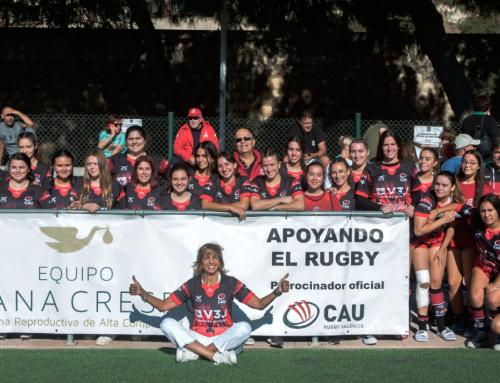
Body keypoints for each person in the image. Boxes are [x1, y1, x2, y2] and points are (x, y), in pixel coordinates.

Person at [129, 243, 290, 365]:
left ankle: (195, 353)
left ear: (220, 262)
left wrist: (277, 292)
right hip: (197, 337)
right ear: (200, 262)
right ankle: (215, 356)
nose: (211, 261)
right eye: (206, 257)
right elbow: (164, 306)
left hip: (222, 337)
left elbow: (259, 304)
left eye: (214, 257)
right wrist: (143, 293)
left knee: (245, 328)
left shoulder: (231, 283)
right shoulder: (192, 284)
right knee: (166, 323)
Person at [412, 171, 468, 342]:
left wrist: (444, 248)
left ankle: (442, 326)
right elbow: (419, 230)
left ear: (452, 188)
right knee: (423, 282)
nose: (440, 188)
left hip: (437, 243)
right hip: (419, 242)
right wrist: (441, 219)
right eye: (437, 184)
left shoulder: (453, 202)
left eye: (444, 185)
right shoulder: (426, 199)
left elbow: (460, 210)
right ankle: (422, 327)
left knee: (436, 283)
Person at [466, 194, 500, 349]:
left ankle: (496, 331)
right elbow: (459, 206)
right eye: (483, 211)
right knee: (475, 294)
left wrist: (495, 284)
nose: (487, 214)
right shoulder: (476, 220)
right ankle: (481, 332)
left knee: (492, 299)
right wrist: (434, 213)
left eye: (491, 210)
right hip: (485, 264)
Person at [355, 129, 416, 215]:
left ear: (398, 146)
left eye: (393, 144)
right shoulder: (371, 168)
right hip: (378, 221)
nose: (389, 148)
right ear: (381, 147)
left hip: (404, 221)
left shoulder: (409, 166)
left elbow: (418, 192)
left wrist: (413, 205)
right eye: (385, 145)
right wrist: (379, 208)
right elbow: (360, 199)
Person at [200, 152, 251, 221]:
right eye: (220, 166)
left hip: (239, 226)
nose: (224, 169)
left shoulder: (243, 180)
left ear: (235, 165)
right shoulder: (213, 180)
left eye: (227, 164)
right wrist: (230, 208)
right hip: (219, 225)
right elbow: (205, 205)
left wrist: (218, 207)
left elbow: (244, 205)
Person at [76, 149, 121, 214]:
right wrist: (83, 206)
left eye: (95, 164)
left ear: (103, 164)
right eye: (89, 164)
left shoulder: (115, 185)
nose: (92, 167)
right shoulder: (79, 184)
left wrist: (97, 207)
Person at [460, 95, 499, 160]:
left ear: (474, 107)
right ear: (488, 107)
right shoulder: (491, 120)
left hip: (470, 156)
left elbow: (463, 139)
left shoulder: (466, 121)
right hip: (487, 158)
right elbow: (496, 139)